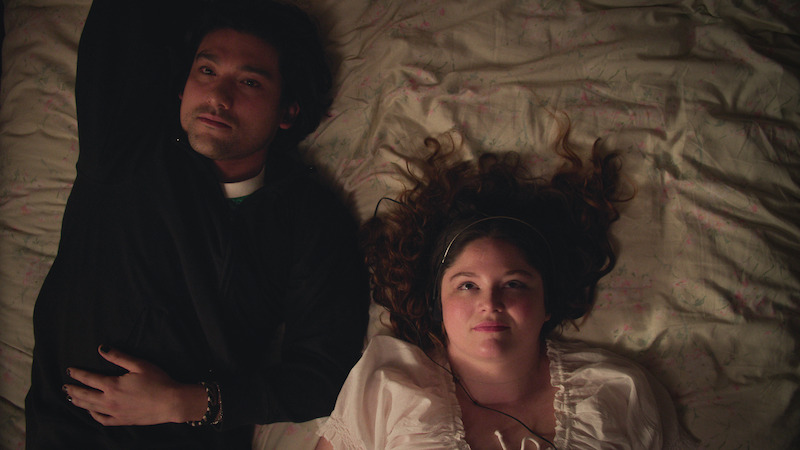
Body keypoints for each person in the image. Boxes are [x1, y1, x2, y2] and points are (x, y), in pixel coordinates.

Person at [25, 1, 368, 448]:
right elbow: (124, 18)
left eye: (249, 81)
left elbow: (322, 374)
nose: (218, 96)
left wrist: (185, 402)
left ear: (287, 112)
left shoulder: (310, 219)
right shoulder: (126, 150)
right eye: (206, 71)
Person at [315, 135, 696, 449]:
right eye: (467, 285)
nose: (490, 303)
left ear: (547, 303)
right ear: (437, 303)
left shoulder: (618, 392)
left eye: (514, 284)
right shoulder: (387, 390)